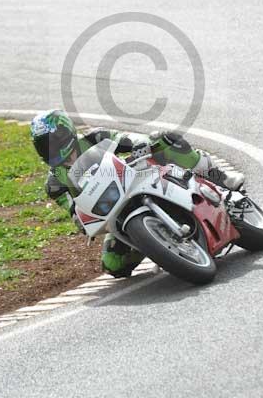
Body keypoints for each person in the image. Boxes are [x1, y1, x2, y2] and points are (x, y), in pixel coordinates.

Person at [30, 110, 244, 278]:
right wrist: (80, 219)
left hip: (136, 179)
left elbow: (126, 138)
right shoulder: (54, 183)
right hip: (113, 211)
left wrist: (139, 144)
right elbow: (73, 209)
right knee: (113, 265)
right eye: (43, 145)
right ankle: (159, 245)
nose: (50, 148)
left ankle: (219, 177)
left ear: (65, 132)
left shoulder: (95, 137)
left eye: (52, 140)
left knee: (165, 140)